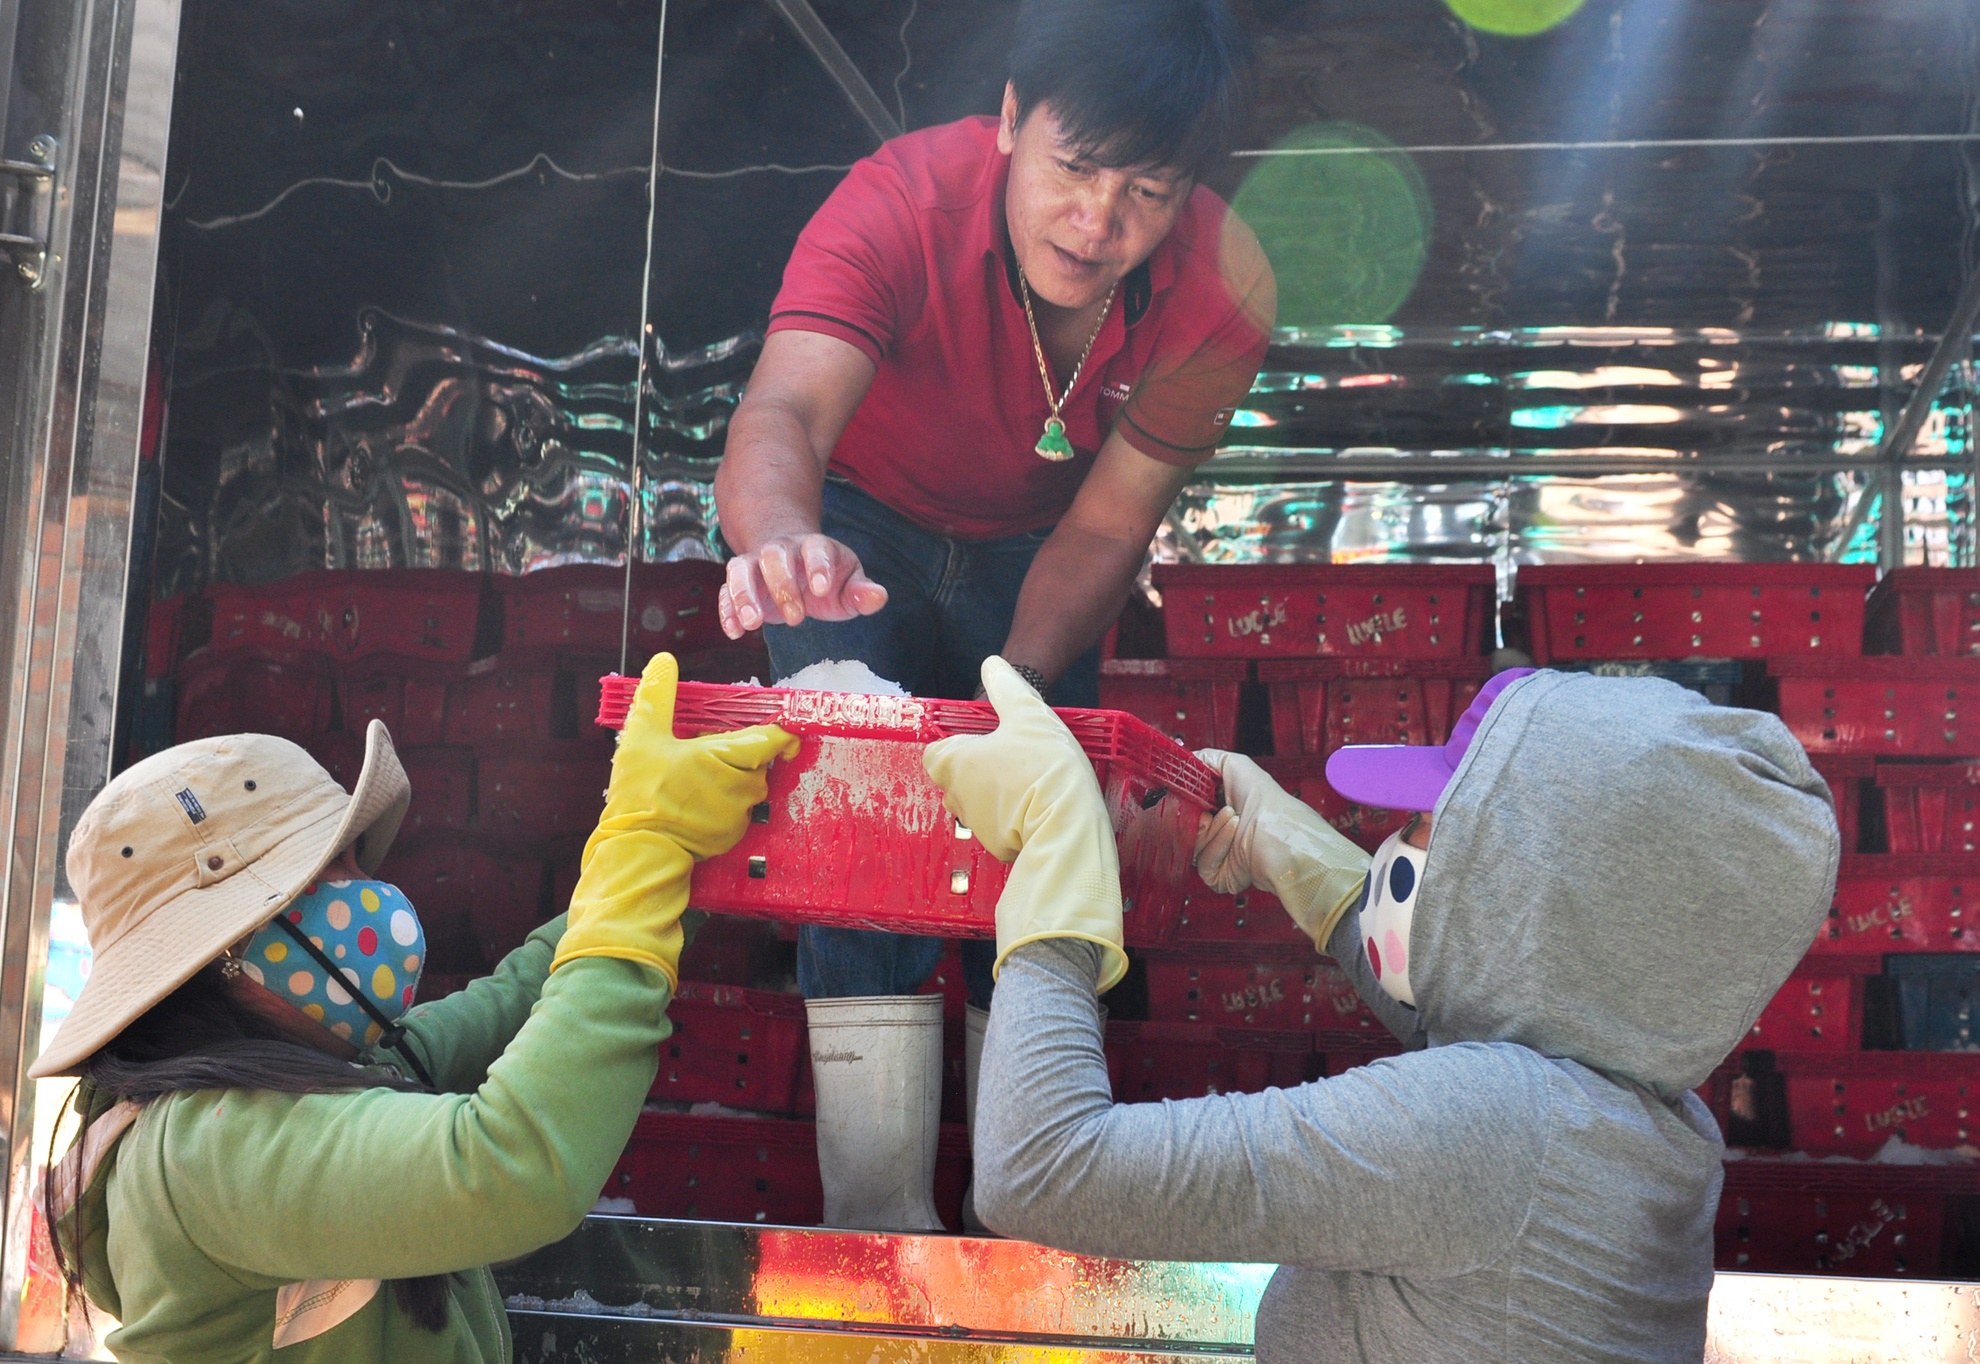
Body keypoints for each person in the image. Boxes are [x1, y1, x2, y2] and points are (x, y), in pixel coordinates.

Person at [710, 0, 1274, 1230]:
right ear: (1010, 119)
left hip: (1042, 543)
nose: (1099, 221)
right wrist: (786, 542)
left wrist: (1006, 695)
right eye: (1075, 169)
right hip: (855, 517)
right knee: (860, 824)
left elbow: (1109, 527)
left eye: (1149, 192)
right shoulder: (897, 202)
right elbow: (782, 419)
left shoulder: (1227, 289)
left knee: (1039, 841)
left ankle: (1028, 1213)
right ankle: (875, 1217)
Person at [926, 660, 1839, 1361]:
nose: (1389, 844)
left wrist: (1058, 862)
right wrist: (1295, 854)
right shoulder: (1641, 1115)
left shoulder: (1490, 1131)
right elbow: (1483, 997)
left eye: (1420, 828)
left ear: (1526, 900)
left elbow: (1038, 1172)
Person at [33, 655, 792, 1361]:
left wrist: (678, 857)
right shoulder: (203, 1152)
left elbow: (517, 997)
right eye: (334, 870)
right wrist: (644, 852)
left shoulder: (337, 1071)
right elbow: (511, 1165)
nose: (369, 892)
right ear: (232, 947)